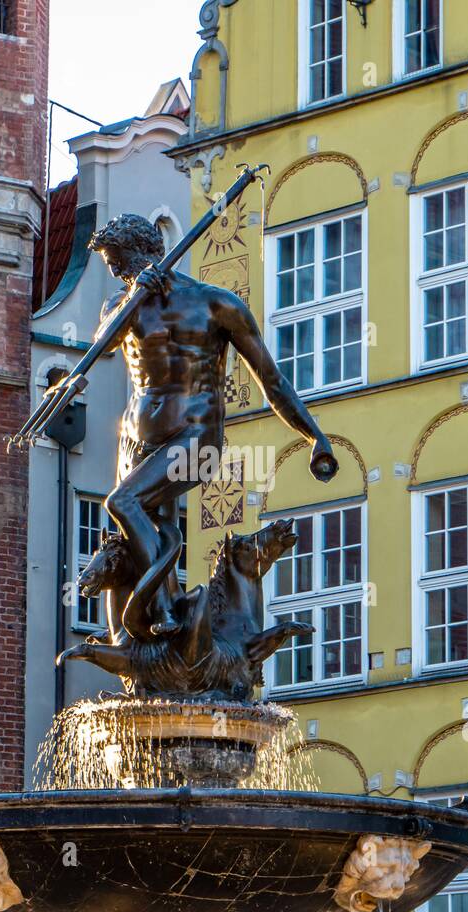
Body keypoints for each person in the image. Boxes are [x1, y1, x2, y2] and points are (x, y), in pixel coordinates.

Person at [81, 213, 337, 640]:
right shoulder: (120, 306)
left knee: (122, 504)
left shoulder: (214, 303)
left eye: (120, 262)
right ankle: (159, 634)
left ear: (147, 252)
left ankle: (162, 608)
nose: (118, 273)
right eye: (113, 266)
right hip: (135, 438)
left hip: (194, 436)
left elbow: (271, 379)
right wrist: (134, 299)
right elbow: (101, 348)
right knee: (154, 529)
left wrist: (315, 435)